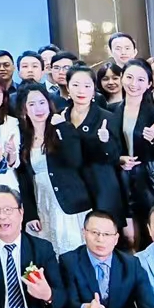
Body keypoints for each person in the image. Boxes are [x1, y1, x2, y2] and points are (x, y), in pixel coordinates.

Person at [14, 84, 89, 255]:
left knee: (74, 251)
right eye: (32, 104)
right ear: (24, 109)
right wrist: (30, 214)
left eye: (42, 102)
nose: (38, 108)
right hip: (42, 201)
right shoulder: (23, 137)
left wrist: (62, 127)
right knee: (47, 253)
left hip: (69, 202)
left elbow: (75, 160)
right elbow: (24, 180)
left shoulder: (63, 128)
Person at [62, 67, 125, 222]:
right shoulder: (60, 116)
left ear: (94, 88)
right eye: (75, 85)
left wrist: (105, 141)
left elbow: (116, 157)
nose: (81, 90)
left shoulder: (107, 117)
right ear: (68, 87)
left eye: (87, 85)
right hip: (72, 186)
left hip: (101, 184)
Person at [115, 60, 154, 241]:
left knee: (150, 230)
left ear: (148, 84)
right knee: (127, 236)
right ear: (122, 78)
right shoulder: (112, 111)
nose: (134, 84)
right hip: (121, 178)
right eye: (129, 77)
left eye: (140, 79)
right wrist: (119, 159)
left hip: (148, 179)